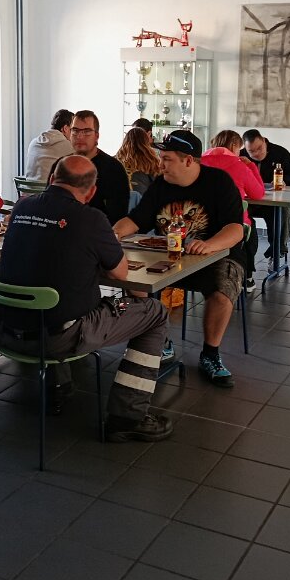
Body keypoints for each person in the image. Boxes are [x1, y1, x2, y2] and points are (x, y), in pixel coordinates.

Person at [0, 154, 173, 441]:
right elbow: (120, 273)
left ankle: (57, 386)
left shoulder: (23, 207)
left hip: (8, 331)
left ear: (52, 179)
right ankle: (127, 415)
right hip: (60, 338)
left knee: (53, 297)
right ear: (91, 192)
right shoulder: (91, 219)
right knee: (153, 311)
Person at [115, 130, 245, 388]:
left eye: (167, 159)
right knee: (132, 281)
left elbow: (236, 229)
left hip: (215, 256)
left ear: (188, 160)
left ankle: (210, 354)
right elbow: (136, 219)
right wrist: (113, 234)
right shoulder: (160, 185)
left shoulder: (219, 182)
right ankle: (161, 339)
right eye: (161, 158)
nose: (160, 164)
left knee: (222, 290)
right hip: (170, 255)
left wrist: (208, 245)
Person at [203, 130, 266, 292]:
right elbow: (258, 194)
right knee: (250, 230)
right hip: (232, 224)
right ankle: (247, 278)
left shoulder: (198, 162)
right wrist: (251, 166)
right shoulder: (239, 165)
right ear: (233, 146)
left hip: (202, 224)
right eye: (239, 149)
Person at [241, 129, 290, 259]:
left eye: (259, 148)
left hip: (273, 202)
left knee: (282, 211)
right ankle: (242, 255)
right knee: (235, 211)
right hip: (250, 201)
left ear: (264, 141)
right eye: (251, 151)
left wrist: (285, 181)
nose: (256, 154)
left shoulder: (280, 153)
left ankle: (277, 253)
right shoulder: (241, 156)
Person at [65, 110, 129, 224]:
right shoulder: (61, 165)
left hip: (99, 230)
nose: (80, 136)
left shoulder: (113, 169)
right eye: (75, 130)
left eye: (86, 131)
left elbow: (118, 215)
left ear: (97, 136)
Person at [23, 109, 74, 182]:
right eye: (73, 129)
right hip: (50, 188)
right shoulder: (68, 146)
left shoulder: (33, 142)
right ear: (65, 128)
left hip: (28, 188)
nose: (75, 134)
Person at [115, 126, 161, 198]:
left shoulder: (115, 160)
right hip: (144, 201)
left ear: (125, 141)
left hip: (118, 201)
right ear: (146, 142)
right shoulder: (152, 162)